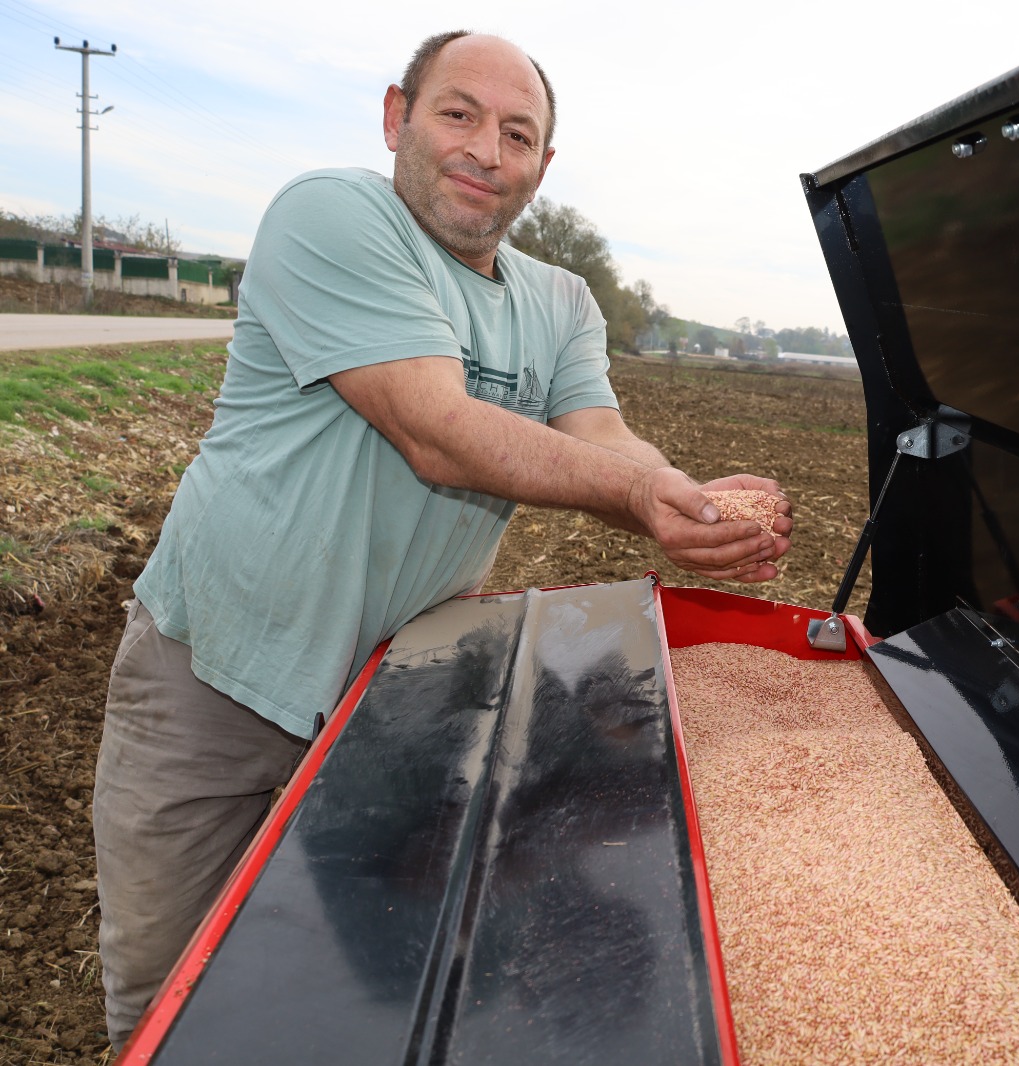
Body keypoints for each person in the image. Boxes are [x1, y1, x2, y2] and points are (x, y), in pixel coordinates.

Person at [91, 30, 792, 1049]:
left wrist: (673, 490)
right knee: (164, 1001)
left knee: (356, 985)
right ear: (395, 116)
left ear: (542, 166)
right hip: (217, 683)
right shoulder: (333, 214)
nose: (486, 152)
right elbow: (437, 429)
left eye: (517, 134)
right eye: (457, 113)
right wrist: (644, 495)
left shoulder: (559, 300)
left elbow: (597, 435)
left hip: (392, 707)